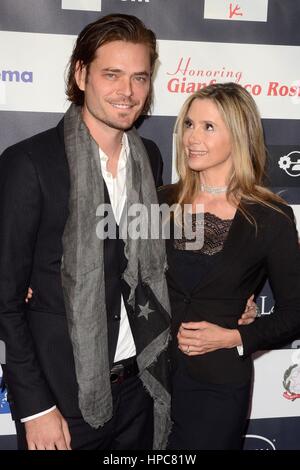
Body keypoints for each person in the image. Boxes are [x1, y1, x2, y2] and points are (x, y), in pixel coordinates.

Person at [0, 13, 171, 451]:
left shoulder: (148, 158)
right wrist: (35, 407)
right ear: (81, 74)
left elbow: (146, 265)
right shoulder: (30, 163)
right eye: (111, 74)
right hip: (61, 399)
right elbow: (5, 299)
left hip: (139, 386)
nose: (127, 92)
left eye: (139, 78)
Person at [158, 82, 300, 450]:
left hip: (216, 386)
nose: (192, 137)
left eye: (208, 127)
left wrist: (235, 337)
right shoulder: (160, 202)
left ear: (239, 136)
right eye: (189, 124)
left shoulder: (270, 217)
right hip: (147, 380)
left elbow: (296, 311)